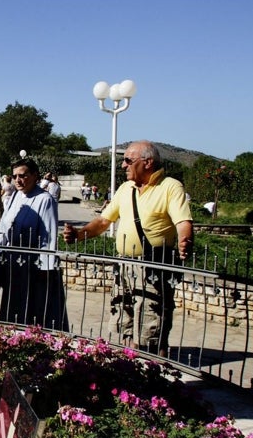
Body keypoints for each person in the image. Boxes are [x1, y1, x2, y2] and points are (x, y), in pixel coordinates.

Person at [63, 140, 193, 355]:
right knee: (126, 319)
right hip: (125, 265)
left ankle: (154, 367)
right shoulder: (126, 188)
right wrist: (79, 234)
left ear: (148, 162)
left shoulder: (170, 187)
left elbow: (183, 222)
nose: (123, 166)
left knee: (152, 322)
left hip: (153, 265)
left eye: (127, 161)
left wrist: (184, 241)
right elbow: (104, 221)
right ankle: (130, 362)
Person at [0, 157, 67, 330]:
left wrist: (45, 269)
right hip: (13, 264)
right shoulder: (15, 196)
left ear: (34, 175)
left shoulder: (44, 199)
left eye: (23, 175)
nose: (18, 180)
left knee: (33, 311)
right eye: (15, 176)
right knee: (11, 309)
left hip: (33, 268)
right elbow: (3, 227)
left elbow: (49, 235)